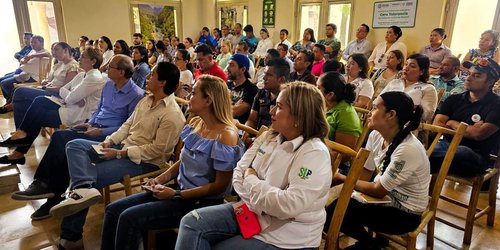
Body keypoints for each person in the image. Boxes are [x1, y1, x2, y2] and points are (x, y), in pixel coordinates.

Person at [176, 81, 332, 249]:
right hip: (250, 213)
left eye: (279, 107)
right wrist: (265, 199)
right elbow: (237, 175)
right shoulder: (269, 136)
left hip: (285, 236)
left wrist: (251, 180)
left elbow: (288, 206)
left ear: (299, 116)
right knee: (191, 223)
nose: (271, 111)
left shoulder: (314, 153)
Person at [49, 62, 186, 249]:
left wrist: (120, 153)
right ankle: (82, 191)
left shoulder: (172, 114)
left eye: (152, 75)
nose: (147, 78)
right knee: (74, 146)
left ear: (162, 82)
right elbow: (127, 125)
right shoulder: (146, 100)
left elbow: (158, 151)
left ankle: (71, 236)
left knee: (90, 177)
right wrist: (110, 141)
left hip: (144, 161)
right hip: (123, 147)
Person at [100, 75, 245, 250]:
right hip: (178, 192)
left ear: (208, 100)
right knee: (113, 210)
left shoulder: (226, 135)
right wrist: (158, 180)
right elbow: (183, 161)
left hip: (200, 201)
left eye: (193, 93)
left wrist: (176, 195)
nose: (188, 97)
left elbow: (220, 187)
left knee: (128, 218)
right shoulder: (197, 122)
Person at [8, 55, 144, 220]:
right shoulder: (109, 85)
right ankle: (48, 188)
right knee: (59, 137)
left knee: (66, 142)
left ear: (121, 72)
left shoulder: (136, 95)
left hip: (111, 137)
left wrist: (100, 131)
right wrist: (90, 123)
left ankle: (50, 191)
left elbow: (128, 126)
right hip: (94, 127)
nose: (106, 69)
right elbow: (99, 109)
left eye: (110, 67)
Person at [325, 91, 429, 250]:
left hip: (405, 213)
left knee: (337, 213)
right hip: (383, 200)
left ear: (391, 115)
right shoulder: (375, 136)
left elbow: (379, 190)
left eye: (374, 108)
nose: (369, 112)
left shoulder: (408, 149)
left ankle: (370, 244)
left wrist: (341, 178)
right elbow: (366, 171)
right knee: (335, 210)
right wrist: (350, 192)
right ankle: (371, 243)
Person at [0, 47, 105, 158]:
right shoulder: (81, 75)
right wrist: (69, 94)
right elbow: (65, 91)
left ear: (93, 61)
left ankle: (19, 146)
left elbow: (67, 95)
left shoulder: (93, 77)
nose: (79, 58)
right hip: (68, 106)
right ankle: (20, 138)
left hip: (79, 115)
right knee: (39, 102)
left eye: (83, 57)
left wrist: (69, 94)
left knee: (37, 115)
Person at [431, 57, 500, 177]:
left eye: (477, 76)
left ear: (490, 82)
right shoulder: (454, 99)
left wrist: (452, 123)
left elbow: (478, 134)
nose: (468, 78)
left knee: (460, 151)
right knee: (419, 146)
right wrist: (469, 129)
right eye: (468, 74)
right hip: (445, 147)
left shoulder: (497, 104)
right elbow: (437, 125)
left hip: (476, 155)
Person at [7, 42, 79, 120]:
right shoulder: (60, 63)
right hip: (50, 89)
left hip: (58, 96)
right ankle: (21, 128)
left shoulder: (72, 66)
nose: (53, 53)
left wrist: (45, 88)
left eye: (56, 50)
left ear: (65, 50)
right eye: (52, 50)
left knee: (20, 91)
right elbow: (56, 80)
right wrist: (48, 83)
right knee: (22, 100)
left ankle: (12, 110)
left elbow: (64, 89)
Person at [381, 54, 437, 122]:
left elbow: (426, 115)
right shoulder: (394, 82)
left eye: (412, 66)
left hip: (407, 125)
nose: (406, 68)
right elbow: (378, 102)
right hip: (383, 120)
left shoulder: (428, 88)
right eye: (405, 64)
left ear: (422, 71)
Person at [0, 35, 49, 110]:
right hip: (22, 72)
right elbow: (22, 60)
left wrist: (32, 56)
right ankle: (10, 101)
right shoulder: (32, 50)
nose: (32, 44)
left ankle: (11, 103)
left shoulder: (44, 52)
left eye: (34, 42)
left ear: (41, 43)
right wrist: (25, 60)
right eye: (31, 42)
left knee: (4, 83)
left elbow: (48, 54)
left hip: (31, 76)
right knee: (1, 80)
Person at [317, 72, 362, 150]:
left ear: (330, 95)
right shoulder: (324, 106)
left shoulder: (347, 116)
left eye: (318, 88)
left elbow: (343, 155)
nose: (314, 90)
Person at [246, 58, 290, 130]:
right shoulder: (261, 93)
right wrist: (247, 133)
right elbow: (251, 120)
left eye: (269, 75)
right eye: (265, 74)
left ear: (281, 79)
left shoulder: (288, 99)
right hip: (255, 136)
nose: (264, 78)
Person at [226, 54, 258, 124]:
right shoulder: (226, 85)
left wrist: (222, 104)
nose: (227, 68)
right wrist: (233, 105)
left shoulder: (251, 90)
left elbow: (234, 112)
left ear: (243, 69)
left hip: (237, 129)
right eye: (228, 64)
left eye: (232, 65)